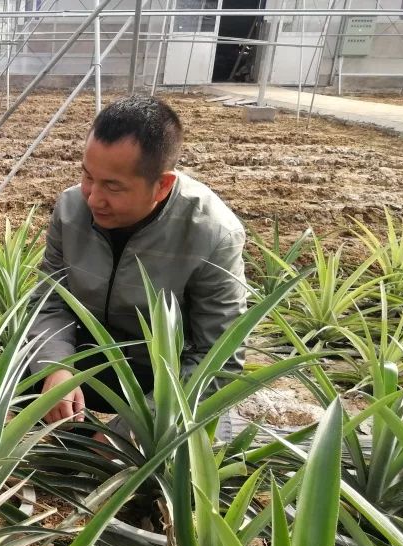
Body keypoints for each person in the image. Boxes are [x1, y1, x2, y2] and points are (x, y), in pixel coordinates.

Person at [29, 95, 247, 425]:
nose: (93, 198)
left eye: (113, 187)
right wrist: (56, 367)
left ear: (162, 185)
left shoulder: (213, 234)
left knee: (171, 457)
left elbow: (219, 358)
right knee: (9, 382)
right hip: (89, 358)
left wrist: (141, 423)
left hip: (165, 377)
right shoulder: (71, 208)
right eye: (88, 176)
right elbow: (50, 302)